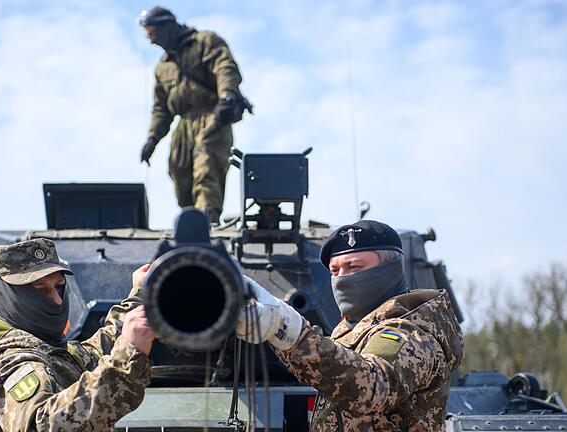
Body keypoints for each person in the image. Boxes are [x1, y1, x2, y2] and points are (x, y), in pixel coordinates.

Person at [235, 220, 465, 431]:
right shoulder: (352, 329)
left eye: (353, 267)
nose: (342, 279)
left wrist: (286, 330)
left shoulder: (411, 333)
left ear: (389, 269)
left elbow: (372, 387)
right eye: (335, 271)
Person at [0, 238, 156, 431]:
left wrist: (140, 296)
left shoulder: (53, 352)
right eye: (41, 290)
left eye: (59, 287)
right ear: (7, 296)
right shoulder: (8, 367)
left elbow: (98, 351)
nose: (57, 300)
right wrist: (128, 356)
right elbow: (42, 425)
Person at [138, 6, 246, 224]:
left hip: (212, 115)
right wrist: (152, 138)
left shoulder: (204, 42)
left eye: (152, 33)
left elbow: (225, 67)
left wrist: (226, 96)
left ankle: (207, 219)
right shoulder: (162, 67)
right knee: (179, 170)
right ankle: (192, 222)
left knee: (206, 164)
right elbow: (161, 108)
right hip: (183, 123)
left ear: (166, 26)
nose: (151, 40)